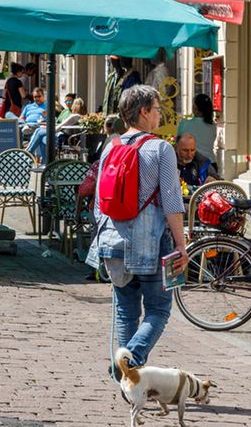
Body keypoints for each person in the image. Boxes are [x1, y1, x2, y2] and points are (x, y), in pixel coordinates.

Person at [86, 85, 187, 379]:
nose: (159, 115)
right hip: (150, 241)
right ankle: (131, 360)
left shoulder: (111, 146)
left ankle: (127, 379)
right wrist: (181, 244)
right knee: (159, 309)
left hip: (112, 239)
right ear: (143, 112)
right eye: (157, 109)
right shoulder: (160, 149)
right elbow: (171, 200)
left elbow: (98, 202)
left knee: (125, 311)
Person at [177, 93, 218, 160]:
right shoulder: (213, 126)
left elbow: (178, 144)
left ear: (195, 107)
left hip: (194, 163)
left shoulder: (185, 123)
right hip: (211, 162)